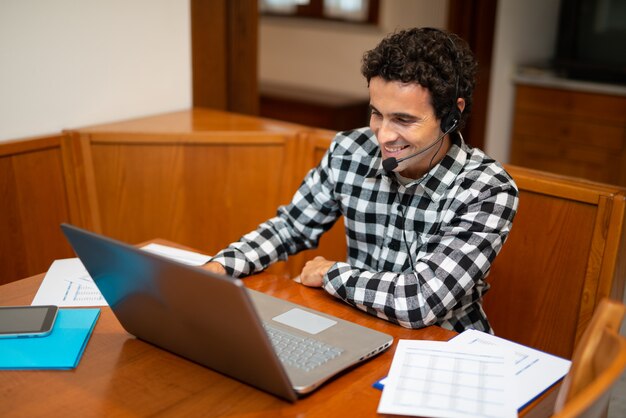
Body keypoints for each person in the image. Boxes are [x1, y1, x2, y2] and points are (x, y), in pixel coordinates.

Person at [204, 27, 519, 333]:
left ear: (451, 114)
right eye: (377, 113)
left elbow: (420, 301)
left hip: (443, 341)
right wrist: (223, 266)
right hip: (356, 324)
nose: (383, 135)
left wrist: (331, 274)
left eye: (404, 119)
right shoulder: (350, 150)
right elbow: (291, 227)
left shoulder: (488, 190)